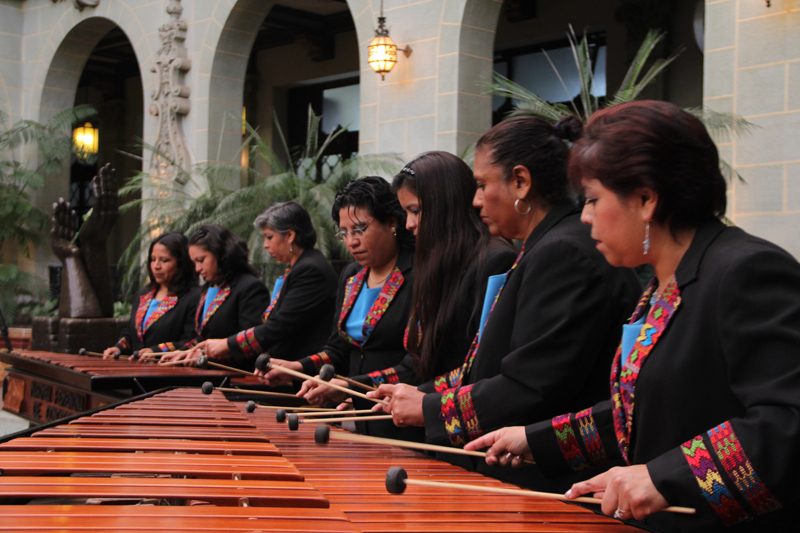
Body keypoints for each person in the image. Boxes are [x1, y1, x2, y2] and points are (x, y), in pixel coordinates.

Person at [465, 101, 800, 532]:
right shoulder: (665, 285)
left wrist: (664, 478)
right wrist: (537, 439)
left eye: (592, 199)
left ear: (645, 198)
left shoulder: (745, 271)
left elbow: (788, 423)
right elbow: (645, 410)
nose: (584, 216)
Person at [369, 116, 641, 491]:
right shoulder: (541, 248)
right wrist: (422, 395)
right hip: (523, 460)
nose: (476, 199)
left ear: (521, 182)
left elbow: (533, 386)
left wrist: (431, 409)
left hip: (551, 480)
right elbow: (486, 364)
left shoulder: (562, 251)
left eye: (481, 185)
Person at [259, 176, 419, 440]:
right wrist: (297, 367)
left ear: (392, 222)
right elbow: (337, 348)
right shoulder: (351, 276)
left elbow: (417, 363)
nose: (351, 241)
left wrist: (350, 386)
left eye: (359, 230)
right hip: (359, 416)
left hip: (404, 419)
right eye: (344, 233)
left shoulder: (420, 274)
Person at [361, 152, 516, 390]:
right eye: (406, 213)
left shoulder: (495, 261)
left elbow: (480, 369)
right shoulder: (440, 261)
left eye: (416, 210)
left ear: (445, 204)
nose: (409, 224)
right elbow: (418, 364)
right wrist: (356, 387)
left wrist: (420, 399)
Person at [182, 202, 337, 368]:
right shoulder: (298, 267)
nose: (265, 244)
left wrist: (228, 345)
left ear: (290, 235)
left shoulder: (310, 269)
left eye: (269, 237)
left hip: (304, 370)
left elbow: (280, 325)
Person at [161, 224, 270, 369]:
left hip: (235, 377)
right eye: (194, 263)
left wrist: (207, 357)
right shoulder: (209, 288)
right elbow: (202, 337)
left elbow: (251, 343)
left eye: (201, 260)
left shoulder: (249, 287)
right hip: (207, 375)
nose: (197, 269)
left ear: (220, 253)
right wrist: (181, 352)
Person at [104, 232, 200, 358]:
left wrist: (156, 351)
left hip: (170, 371)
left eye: (164, 260)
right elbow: (131, 334)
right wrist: (118, 347)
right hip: (137, 370)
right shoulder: (143, 293)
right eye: (153, 259)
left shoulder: (194, 297)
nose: (156, 266)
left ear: (181, 264)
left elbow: (192, 341)